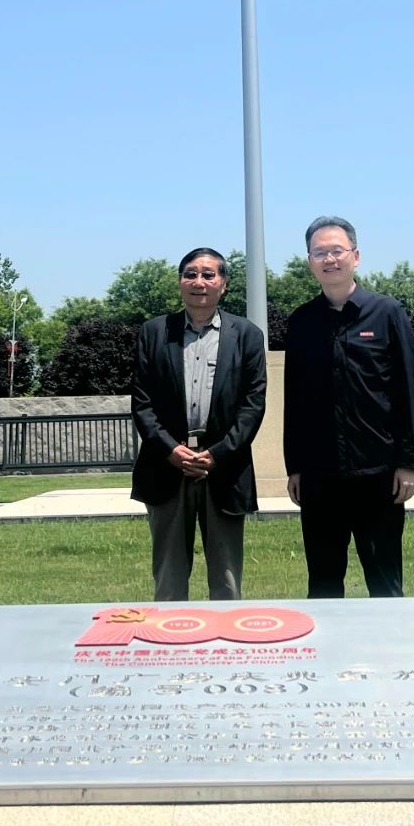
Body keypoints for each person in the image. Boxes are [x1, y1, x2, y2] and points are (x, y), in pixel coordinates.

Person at [283, 217, 414, 598]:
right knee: (323, 584)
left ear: (355, 256)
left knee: (385, 582)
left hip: (378, 473)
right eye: (319, 253)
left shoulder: (387, 313)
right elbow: (294, 400)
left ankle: (391, 641)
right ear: (310, 262)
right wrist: (294, 466)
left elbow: (410, 391)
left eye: (337, 251)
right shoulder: (301, 322)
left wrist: (408, 463)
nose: (329, 259)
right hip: (319, 476)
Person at [131, 247, 267, 600]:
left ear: (223, 283)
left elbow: (252, 406)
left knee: (227, 581)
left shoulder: (247, 335)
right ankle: (170, 635)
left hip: (224, 469)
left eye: (209, 274)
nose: (199, 282)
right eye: (190, 274)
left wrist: (218, 454)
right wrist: (171, 450)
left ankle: (226, 636)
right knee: (168, 580)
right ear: (180, 282)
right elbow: (142, 404)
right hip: (166, 467)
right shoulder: (153, 332)